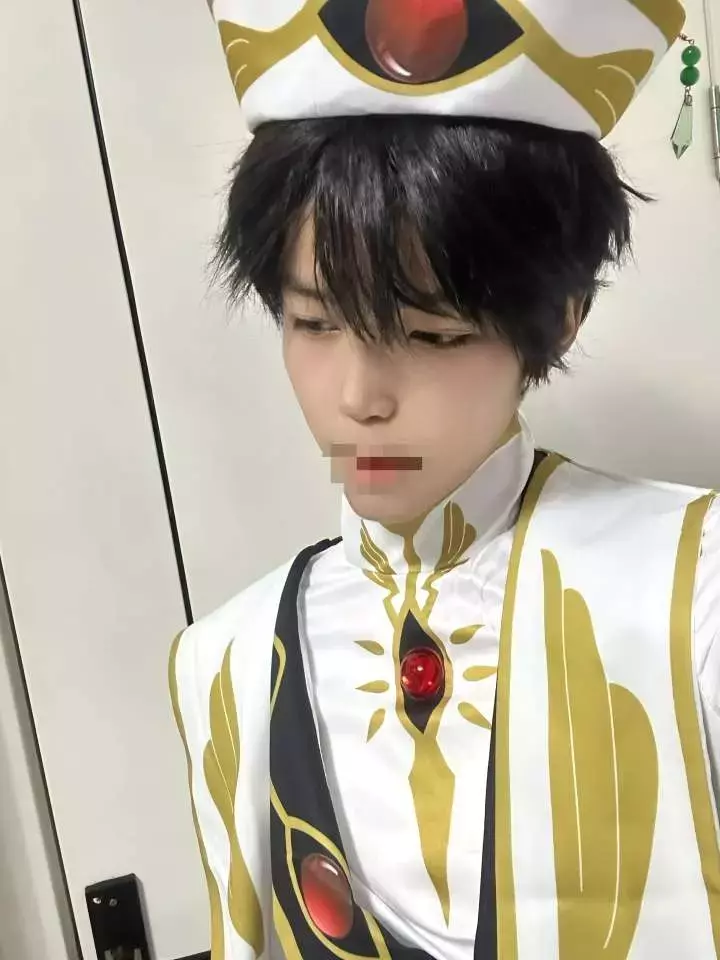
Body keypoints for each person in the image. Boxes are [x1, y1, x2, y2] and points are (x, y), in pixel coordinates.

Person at [169, 2, 720, 958]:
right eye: (312, 322)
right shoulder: (225, 662)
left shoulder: (696, 592)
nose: (358, 397)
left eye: (431, 334)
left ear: (561, 317)